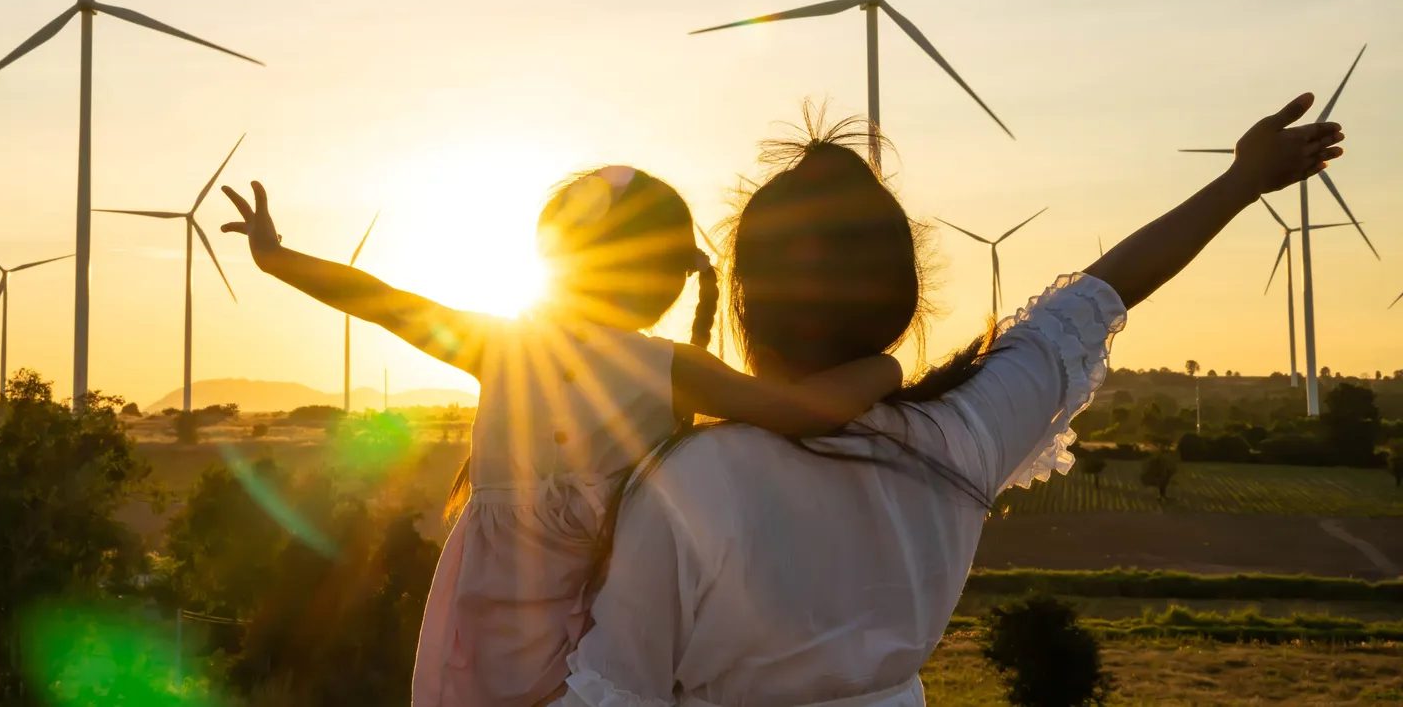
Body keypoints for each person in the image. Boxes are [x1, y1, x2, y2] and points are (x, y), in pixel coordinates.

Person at [557, 95, 1344, 707]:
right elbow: (1101, 293)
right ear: (901, 298)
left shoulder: (689, 483)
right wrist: (1243, 181)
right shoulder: (959, 435)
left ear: (745, 302)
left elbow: (614, 690)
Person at [218, 165, 905, 707]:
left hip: (499, 628)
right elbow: (798, 411)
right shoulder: (667, 368)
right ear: (664, 278)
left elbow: (380, 302)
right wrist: (886, 368)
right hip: (599, 633)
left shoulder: (501, 345)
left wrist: (276, 258)